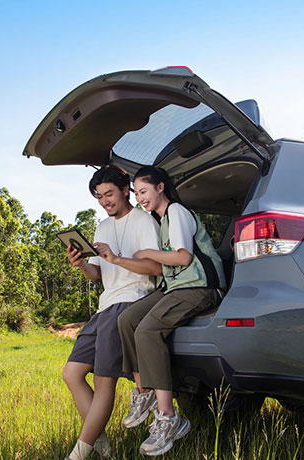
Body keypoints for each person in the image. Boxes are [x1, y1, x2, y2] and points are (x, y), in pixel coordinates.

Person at [117, 165, 227, 457]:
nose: (140, 198)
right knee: (126, 319)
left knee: (148, 330)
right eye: (136, 193)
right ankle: (144, 393)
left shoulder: (176, 211)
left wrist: (146, 254)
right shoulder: (161, 220)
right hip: (176, 288)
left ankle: (168, 417)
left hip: (201, 287)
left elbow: (183, 256)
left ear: (160, 187)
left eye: (143, 191)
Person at [62, 165, 162, 460]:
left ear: (125, 190)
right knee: (72, 373)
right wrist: (81, 264)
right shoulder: (103, 226)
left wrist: (117, 258)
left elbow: (156, 268)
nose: (104, 201)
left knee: (104, 381)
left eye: (109, 193)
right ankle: (102, 445)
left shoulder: (144, 221)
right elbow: (98, 274)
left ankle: (79, 454)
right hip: (105, 305)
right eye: (99, 196)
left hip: (130, 302)